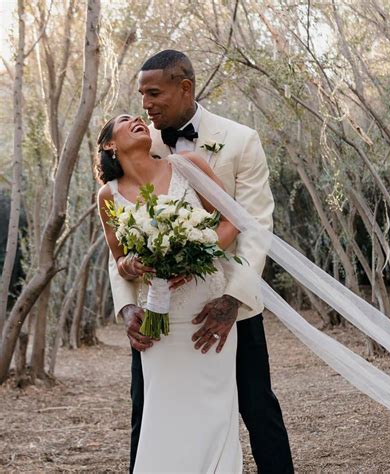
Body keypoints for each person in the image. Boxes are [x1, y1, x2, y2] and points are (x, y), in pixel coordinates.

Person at [108, 50, 293, 473]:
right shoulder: (139, 144)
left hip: (227, 300)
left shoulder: (239, 140)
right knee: (148, 411)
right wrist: (127, 305)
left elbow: (254, 226)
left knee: (257, 407)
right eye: (141, 96)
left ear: (184, 87)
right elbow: (118, 237)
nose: (146, 106)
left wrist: (232, 300)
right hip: (159, 310)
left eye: (154, 93)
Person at [96, 115, 242, 472]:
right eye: (125, 120)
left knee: (214, 411)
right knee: (163, 412)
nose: (137, 119)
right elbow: (119, 260)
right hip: (158, 318)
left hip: (206, 309)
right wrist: (128, 265)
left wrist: (198, 256)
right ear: (109, 145)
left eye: (138, 117)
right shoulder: (108, 196)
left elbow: (231, 222)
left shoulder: (187, 165)